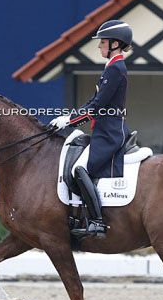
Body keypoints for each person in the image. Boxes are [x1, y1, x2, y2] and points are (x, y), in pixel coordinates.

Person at [49, 20, 132, 238]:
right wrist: (70, 116)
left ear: (115, 43)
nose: (99, 46)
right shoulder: (111, 67)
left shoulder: (116, 68)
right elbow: (93, 102)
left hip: (110, 132)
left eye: (103, 42)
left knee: (79, 168)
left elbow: (96, 108)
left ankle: (97, 222)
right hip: (104, 130)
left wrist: (70, 122)